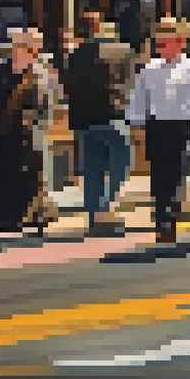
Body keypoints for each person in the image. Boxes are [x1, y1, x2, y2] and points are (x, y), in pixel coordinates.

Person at [126, 18, 190, 245]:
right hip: (157, 127)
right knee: (158, 176)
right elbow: (138, 101)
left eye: (165, 43)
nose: (161, 48)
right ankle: (162, 221)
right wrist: (136, 128)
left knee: (178, 175)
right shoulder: (148, 69)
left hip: (182, 127)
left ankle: (171, 219)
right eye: (159, 43)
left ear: (180, 43)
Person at [0, 28, 60, 237]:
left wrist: (37, 126)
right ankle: (3, 219)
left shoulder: (41, 74)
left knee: (30, 179)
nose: (31, 52)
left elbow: (47, 108)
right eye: (26, 47)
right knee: (2, 177)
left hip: (30, 139)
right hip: (3, 138)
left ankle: (31, 217)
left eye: (34, 48)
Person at [64, 17, 138, 236]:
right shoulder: (123, 51)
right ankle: (106, 206)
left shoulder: (75, 54)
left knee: (92, 171)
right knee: (122, 164)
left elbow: (70, 87)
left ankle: (94, 218)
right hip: (113, 116)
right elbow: (131, 85)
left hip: (85, 119)